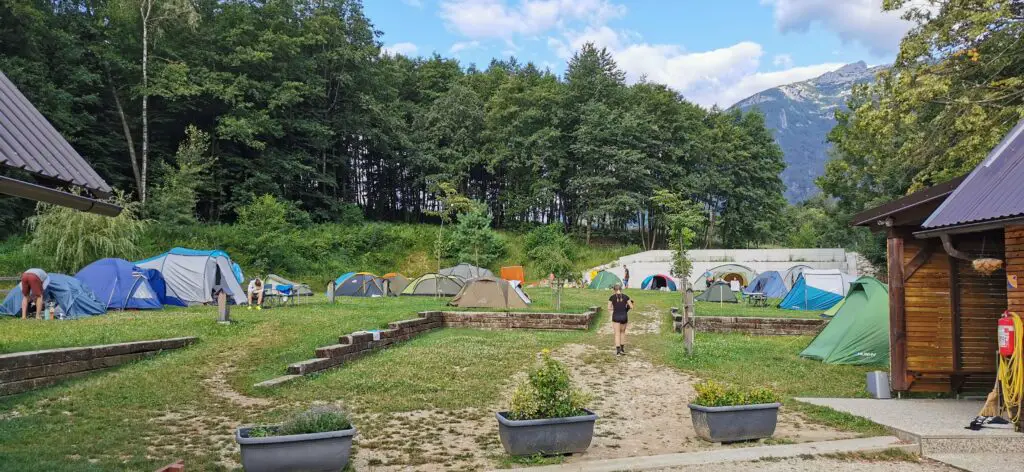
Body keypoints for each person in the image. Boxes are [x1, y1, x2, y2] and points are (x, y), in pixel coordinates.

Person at [607, 283, 634, 356]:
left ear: (614, 290)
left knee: (617, 334)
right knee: (622, 333)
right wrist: (626, 307)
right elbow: (631, 307)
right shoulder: (626, 297)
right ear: (621, 289)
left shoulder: (611, 297)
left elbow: (609, 308)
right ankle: (622, 349)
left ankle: (618, 351)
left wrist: (615, 308)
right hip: (624, 316)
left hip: (616, 316)